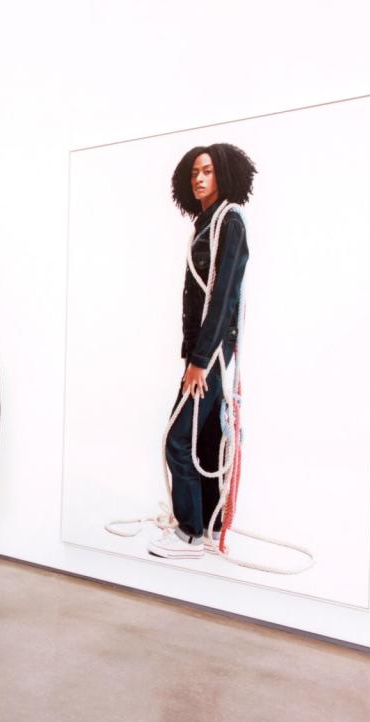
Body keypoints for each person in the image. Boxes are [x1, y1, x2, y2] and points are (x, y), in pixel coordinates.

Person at [149, 144, 257, 559]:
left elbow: (223, 293)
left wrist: (199, 360)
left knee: (178, 438)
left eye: (207, 171)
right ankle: (209, 525)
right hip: (201, 350)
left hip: (210, 353)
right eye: (194, 171)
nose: (199, 178)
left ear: (223, 175)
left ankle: (189, 533)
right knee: (206, 434)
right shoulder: (204, 222)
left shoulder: (229, 222)